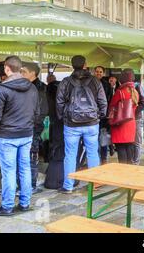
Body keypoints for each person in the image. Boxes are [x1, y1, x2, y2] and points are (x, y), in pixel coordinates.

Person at [0, 56, 38, 216]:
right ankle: (25, 203)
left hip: (6, 136)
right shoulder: (32, 88)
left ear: (6, 68)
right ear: (20, 68)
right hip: (26, 134)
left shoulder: (2, 89)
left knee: (9, 172)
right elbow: (36, 113)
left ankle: (7, 206)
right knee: (25, 168)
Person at [56, 56, 107, 194]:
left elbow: (59, 102)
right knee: (92, 153)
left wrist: (63, 118)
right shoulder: (96, 81)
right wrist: (99, 116)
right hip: (92, 123)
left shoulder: (66, 82)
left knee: (70, 155)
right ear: (86, 64)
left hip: (71, 124)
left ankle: (68, 186)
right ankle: (94, 183)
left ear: (72, 65)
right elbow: (103, 102)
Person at [20, 63, 48, 193]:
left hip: (33, 127)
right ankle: (25, 184)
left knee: (31, 155)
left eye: (24, 71)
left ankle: (31, 184)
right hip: (25, 126)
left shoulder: (40, 88)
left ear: (32, 73)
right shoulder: (25, 85)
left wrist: (30, 123)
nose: (21, 74)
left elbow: (42, 111)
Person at [110, 69, 139, 164]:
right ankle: (129, 172)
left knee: (121, 148)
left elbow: (111, 106)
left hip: (121, 123)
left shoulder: (120, 92)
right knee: (129, 147)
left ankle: (122, 171)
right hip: (131, 124)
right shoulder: (135, 92)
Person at [132, 79, 144, 165]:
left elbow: (143, 104)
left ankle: (136, 163)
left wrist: (133, 112)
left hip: (137, 118)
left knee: (136, 142)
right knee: (132, 142)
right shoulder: (125, 87)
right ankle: (133, 161)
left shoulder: (137, 86)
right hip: (130, 119)